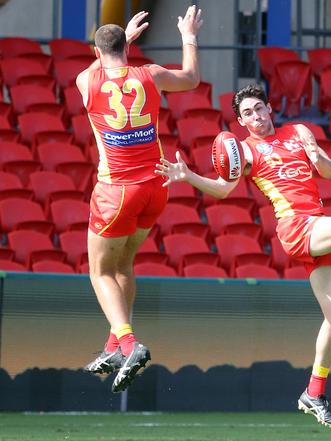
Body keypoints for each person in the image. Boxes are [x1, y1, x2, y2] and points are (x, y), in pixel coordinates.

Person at [155, 84, 331, 428]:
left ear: (270, 108)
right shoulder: (244, 151)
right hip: (294, 226)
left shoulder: (299, 132)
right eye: (247, 113)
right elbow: (224, 190)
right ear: (241, 122)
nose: (256, 117)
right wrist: (188, 177)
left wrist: (318, 158)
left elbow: (330, 172)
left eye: (259, 108)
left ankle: (313, 392)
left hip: (316, 224)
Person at [77, 6, 203, 393]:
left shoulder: (86, 79)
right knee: (124, 264)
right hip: (156, 186)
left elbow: (106, 62)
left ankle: (129, 344)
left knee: (99, 272)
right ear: (128, 50)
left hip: (116, 190)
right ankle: (114, 345)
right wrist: (188, 37)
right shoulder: (150, 75)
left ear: (98, 52)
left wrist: (122, 41)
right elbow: (192, 79)